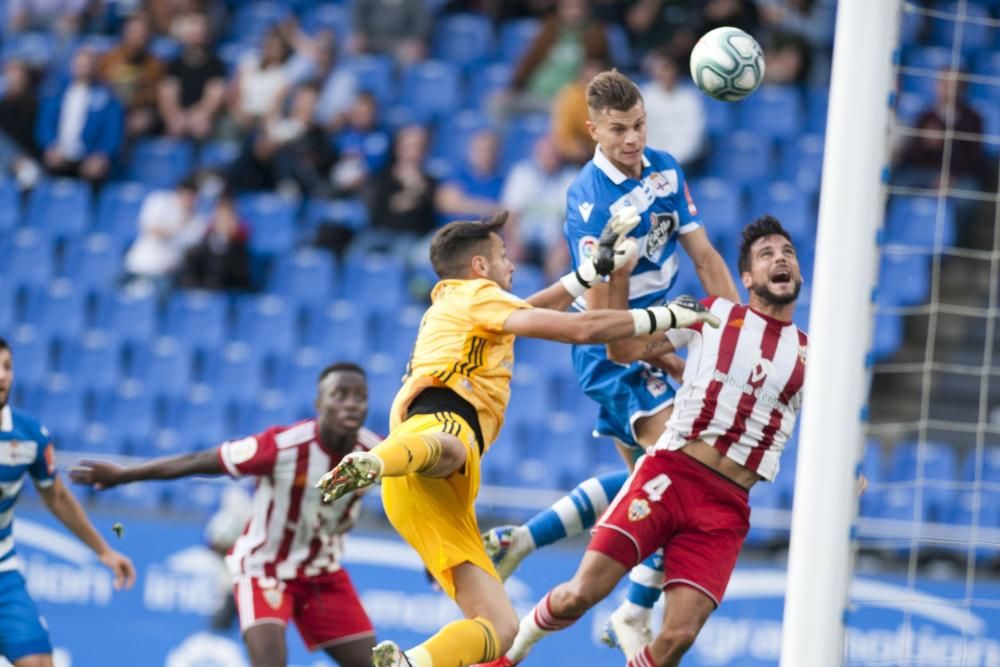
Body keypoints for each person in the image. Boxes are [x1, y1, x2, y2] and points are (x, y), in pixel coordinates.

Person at [315, 211, 719, 667]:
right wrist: (663, 316)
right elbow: (581, 330)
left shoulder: (464, 305)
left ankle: (409, 663)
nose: (512, 265)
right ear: (479, 267)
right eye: (504, 256)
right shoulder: (476, 295)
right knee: (450, 447)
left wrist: (588, 274)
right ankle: (371, 461)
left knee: (500, 628)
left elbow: (532, 309)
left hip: (419, 492)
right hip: (434, 427)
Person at [481, 68, 738, 656]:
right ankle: (630, 609)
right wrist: (678, 349)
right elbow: (607, 328)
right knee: (682, 475)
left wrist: (737, 323)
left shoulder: (667, 167)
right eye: (619, 129)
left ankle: (525, 541)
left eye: (640, 125)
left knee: (644, 488)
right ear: (592, 130)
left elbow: (704, 256)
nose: (632, 139)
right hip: (618, 350)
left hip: (666, 331)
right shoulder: (588, 202)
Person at [483, 216, 807, 667]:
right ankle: (506, 657)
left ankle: (627, 608)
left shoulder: (810, 356)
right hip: (672, 473)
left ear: (799, 272)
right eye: (767, 254)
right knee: (581, 594)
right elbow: (622, 351)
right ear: (748, 278)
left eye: (788, 252)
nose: (781, 259)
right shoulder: (713, 315)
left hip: (727, 506)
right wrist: (616, 274)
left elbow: (823, 436)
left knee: (677, 638)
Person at [69, 362, 382, 667]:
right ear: (319, 403)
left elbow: (419, 490)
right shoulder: (283, 447)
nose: (351, 404)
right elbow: (199, 460)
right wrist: (124, 475)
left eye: (360, 397)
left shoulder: (376, 453)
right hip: (264, 570)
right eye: (340, 395)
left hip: (322, 573)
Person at [0, 336, 135, 667]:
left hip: (3, 571)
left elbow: (57, 497)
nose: (2, 376)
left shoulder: (28, 436)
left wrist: (104, 550)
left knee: (39, 662)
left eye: (7, 366)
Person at [35, 47, 123, 186]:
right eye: (80, 64)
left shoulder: (107, 98)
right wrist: (50, 146)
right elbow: (45, 124)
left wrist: (101, 155)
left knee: (97, 173)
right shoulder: (56, 93)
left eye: (88, 64)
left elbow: (112, 132)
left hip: (88, 158)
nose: (84, 69)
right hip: (58, 155)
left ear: (96, 67)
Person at [123, 175, 205, 286]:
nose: (189, 201)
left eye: (193, 197)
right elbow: (153, 230)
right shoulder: (159, 201)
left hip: (165, 274)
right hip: (138, 265)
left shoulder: (198, 221)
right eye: (186, 196)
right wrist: (180, 224)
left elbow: (190, 249)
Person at [158, 11, 227, 142]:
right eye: (192, 33)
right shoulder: (174, 65)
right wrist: (176, 116)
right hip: (179, 116)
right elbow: (167, 96)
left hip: (201, 118)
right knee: (173, 126)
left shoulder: (216, 65)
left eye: (199, 32)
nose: (195, 37)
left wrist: (196, 116)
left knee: (202, 127)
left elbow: (213, 99)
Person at [99, 12, 166, 140]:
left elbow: (157, 95)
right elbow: (100, 86)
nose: (139, 36)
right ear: (125, 33)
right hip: (110, 108)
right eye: (134, 31)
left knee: (140, 121)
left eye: (142, 32)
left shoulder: (156, 65)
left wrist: (140, 90)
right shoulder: (109, 59)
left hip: (138, 110)